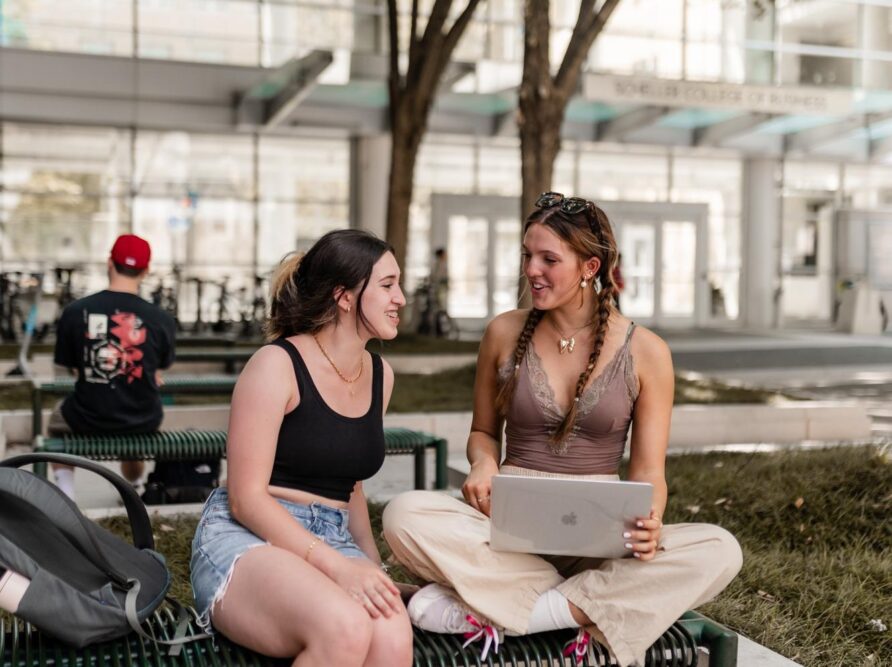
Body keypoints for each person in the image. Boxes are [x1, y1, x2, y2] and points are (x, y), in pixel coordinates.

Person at [382, 193, 742, 667]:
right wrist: (484, 463)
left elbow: (649, 470)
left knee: (720, 550)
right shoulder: (503, 332)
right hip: (506, 531)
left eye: (549, 259)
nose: (532, 269)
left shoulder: (648, 351)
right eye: (528, 256)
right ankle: (582, 610)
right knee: (404, 514)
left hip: (602, 540)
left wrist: (651, 522)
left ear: (590, 266)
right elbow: (483, 432)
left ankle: (516, 611)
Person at [190, 229, 413, 666]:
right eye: (387, 285)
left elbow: (349, 488)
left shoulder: (380, 375)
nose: (401, 298)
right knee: (345, 626)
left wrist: (374, 573)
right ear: (344, 296)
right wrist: (340, 569)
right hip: (250, 536)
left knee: (392, 635)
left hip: (333, 535)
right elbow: (245, 498)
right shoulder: (276, 365)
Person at [50, 234, 176, 500]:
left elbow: (65, 370)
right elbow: (158, 372)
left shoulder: (76, 311)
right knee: (135, 425)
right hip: (142, 418)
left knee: (55, 421)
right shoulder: (161, 319)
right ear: (146, 270)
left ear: (110, 263)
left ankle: (66, 493)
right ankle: (136, 484)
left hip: (87, 416)